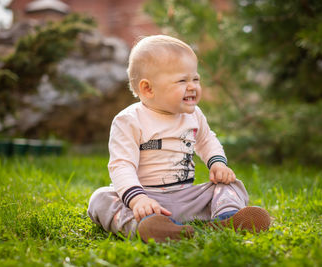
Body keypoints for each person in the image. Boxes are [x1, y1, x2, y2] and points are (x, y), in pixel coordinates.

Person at [87, 35, 270, 243]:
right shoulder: (129, 120)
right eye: (183, 80)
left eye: (196, 79)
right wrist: (138, 200)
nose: (192, 86)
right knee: (101, 199)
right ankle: (143, 226)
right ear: (148, 88)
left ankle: (226, 218)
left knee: (230, 184)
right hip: (146, 200)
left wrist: (218, 163)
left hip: (187, 197)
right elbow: (122, 165)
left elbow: (207, 140)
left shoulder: (193, 115)